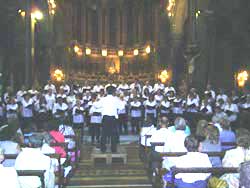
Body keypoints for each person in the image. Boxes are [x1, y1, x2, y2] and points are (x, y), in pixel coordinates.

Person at [99, 85, 122, 153]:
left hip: (105, 118)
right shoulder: (116, 99)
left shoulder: (103, 99)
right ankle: (113, 149)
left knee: (104, 134)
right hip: (113, 118)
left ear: (106, 91)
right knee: (113, 134)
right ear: (114, 91)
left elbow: (97, 106)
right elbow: (122, 107)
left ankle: (103, 149)